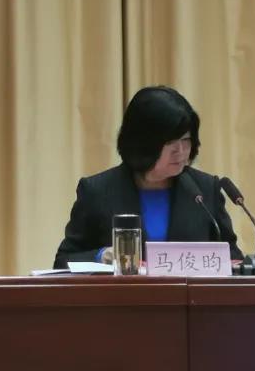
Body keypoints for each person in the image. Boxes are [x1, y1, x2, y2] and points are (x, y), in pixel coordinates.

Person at [54, 86, 241, 268]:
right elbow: (64, 260)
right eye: (170, 142)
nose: (181, 151)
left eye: (186, 140)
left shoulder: (205, 189)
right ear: (143, 143)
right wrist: (101, 256)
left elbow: (233, 258)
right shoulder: (98, 191)